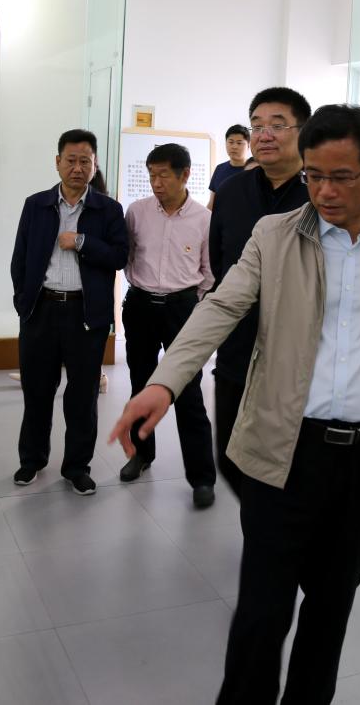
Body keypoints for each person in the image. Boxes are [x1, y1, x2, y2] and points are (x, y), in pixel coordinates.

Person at [110, 104, 360, 704]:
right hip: (281, 453)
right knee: (262, 613)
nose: (324, 191)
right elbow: (220, 307)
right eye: (315, 175)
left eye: (341, 177)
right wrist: (164, 383)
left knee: (330, 610)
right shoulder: (274, 235)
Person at [10, 129, 127, 493]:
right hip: (41, 311)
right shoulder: (36, 205)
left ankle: (77, 467)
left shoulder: (108, 209)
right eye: (71, 160)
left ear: (95, 165)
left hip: (85, 315)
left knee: (82, 397)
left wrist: (81, 241)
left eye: (85, 161)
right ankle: (31, 460)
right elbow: (19, 259)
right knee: (37, 391)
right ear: (57, 162)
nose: (78, 168)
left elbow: (119, 257)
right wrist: (23, 302)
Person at [208, 87, 312, 496]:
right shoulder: (231, 192)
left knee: (290, 465)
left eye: (277, 125)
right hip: (238, 345)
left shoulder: (321, 195)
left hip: (298, 354)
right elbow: (220, 264)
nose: (264, 134)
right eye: (257, 126)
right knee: (230, 457)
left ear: (303, 132)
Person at [121, 143, 216, 507]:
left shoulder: (203, 219)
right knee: (141, 384)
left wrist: (192, 305)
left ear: (185, 174)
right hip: (141, 306)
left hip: (182, 309)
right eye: (152, 175)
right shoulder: (137, 212)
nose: (156, 183)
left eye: (163, 175)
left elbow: (209, 272)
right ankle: (141, 455)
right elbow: (128, 256)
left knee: (188, 392)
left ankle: (202, 477)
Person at [207, 123, 250, 210]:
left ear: (248, 145)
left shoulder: (254, 170)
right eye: (231, 142)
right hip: (220, 218)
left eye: (239, 143)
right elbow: (212, 203)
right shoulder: (219, 169)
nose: (234, 146)